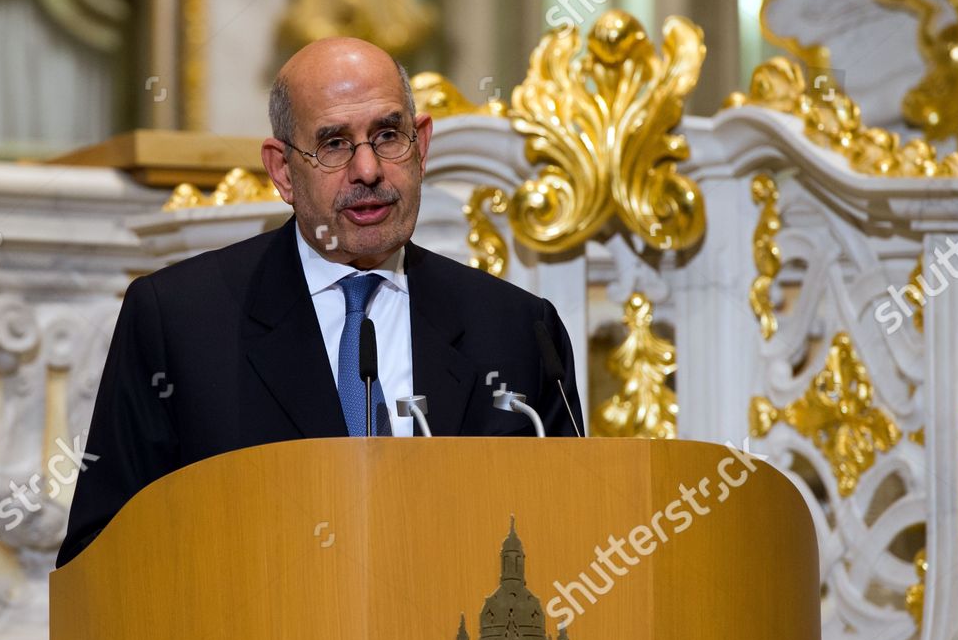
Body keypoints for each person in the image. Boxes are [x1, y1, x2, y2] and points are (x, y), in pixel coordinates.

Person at [55, 37, 584, 567]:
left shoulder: (517, 330)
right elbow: (98, 554)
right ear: (283, 170)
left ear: (421, 146)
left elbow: (569, 539)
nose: (369, 170)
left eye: (387, 135)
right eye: (333, 144)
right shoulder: (180, 323)